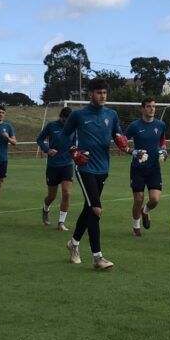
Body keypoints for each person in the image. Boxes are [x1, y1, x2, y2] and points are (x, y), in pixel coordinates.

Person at [58, 78, 130, 269]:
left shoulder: (111, 114)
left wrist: (123, 142)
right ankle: (98, 257)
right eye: (99, 92)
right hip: (85, 168)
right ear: (90, 94)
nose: (102, 96)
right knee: (96, 209)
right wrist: (73, 151)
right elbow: (63, 137)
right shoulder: (78, 115)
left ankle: (73, 244)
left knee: (88, 209)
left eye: (105, 92)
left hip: (103, 168)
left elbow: (117, 134)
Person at [123, 98, 168, 236]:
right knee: (139, 199)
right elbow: (122, 142)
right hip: (138, 168)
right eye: (149, 106)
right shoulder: (134, 126)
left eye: (154, 106)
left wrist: (164, 150)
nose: (152, 109)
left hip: (154, 168)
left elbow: (162, 140)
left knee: (155, 199)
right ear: (142, 109)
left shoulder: (160, 125)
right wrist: (133, 152)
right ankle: (136, 227)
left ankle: (145, 211)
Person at [37, 106, 73, 232]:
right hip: (53, 165)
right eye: (64, 121)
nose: (66, 123)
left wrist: (77, 151)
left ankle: (61, 222)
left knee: (67, 193)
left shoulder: (73, 127)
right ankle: (45, 209)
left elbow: (75, 144)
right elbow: (39, 139)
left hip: (67, 164)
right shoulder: (51, 126)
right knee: (51, 196)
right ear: (61, 117)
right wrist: (47, 150)